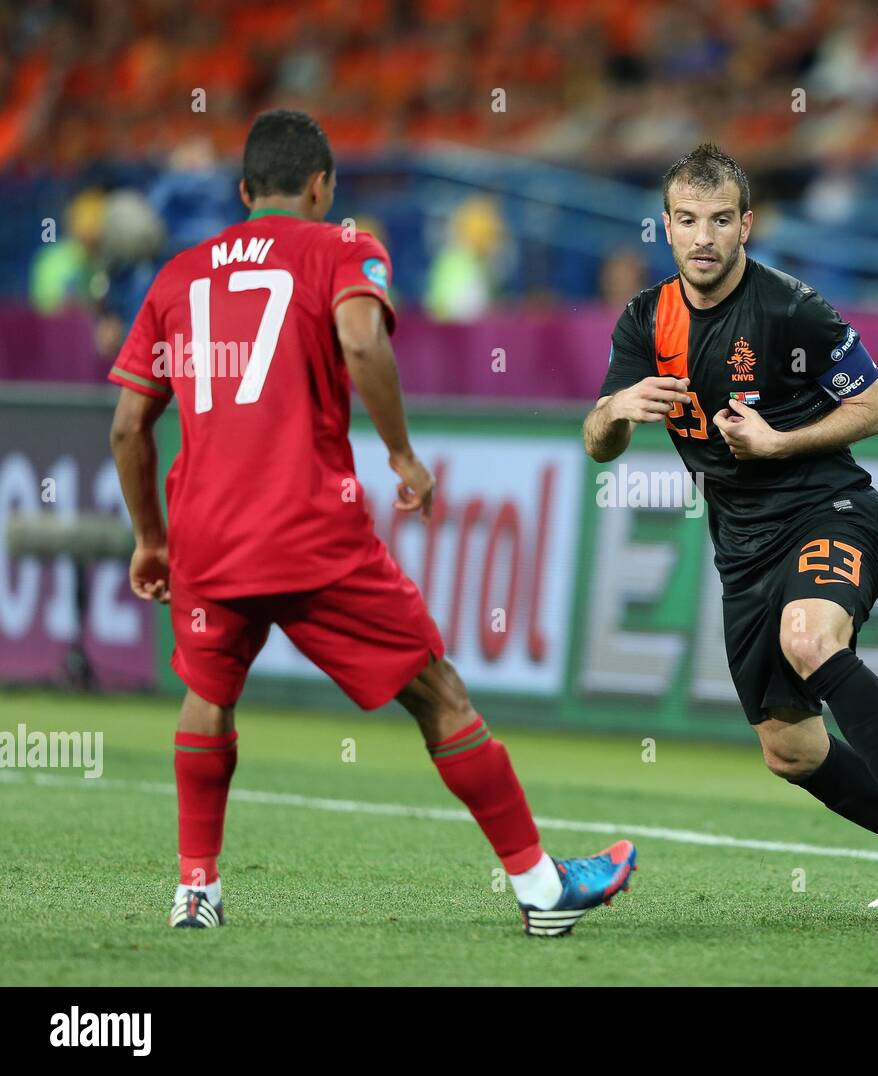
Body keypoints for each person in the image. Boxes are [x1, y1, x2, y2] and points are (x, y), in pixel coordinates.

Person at [108, 110, 634, 936]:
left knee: (207, 695)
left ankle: (196, 891)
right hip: (309, 530)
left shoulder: (177, 277)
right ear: (322, 186)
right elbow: (361, 341)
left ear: (245, 191)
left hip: (205, 535)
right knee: (438, 692)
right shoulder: (343, 248)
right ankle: (538, 886)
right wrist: (402, 455)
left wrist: (149, 539)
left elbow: (127, 427)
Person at [582, 144, 878, 909]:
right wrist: (614, 412)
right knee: (790, 751)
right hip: (742, 549)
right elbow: (599, 446)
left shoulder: (791, 308)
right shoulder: (643, 319)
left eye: (720, 220)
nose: (703, 237)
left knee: (810, 637)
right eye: (688, 221)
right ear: (665, 226)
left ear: (746, 224)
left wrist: (779, 442)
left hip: (829, 511)